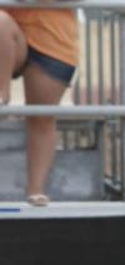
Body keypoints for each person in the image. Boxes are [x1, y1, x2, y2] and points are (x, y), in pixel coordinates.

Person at [0, 4, 78, 205]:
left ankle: (36, 191)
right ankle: (1, 93)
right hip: (8, 37)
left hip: (52, 38)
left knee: (41, 118)